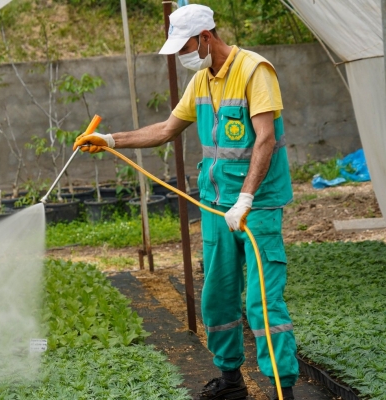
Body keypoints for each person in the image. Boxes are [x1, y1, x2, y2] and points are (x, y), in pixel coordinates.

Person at [73, 4, 299, 400]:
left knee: (264, 304)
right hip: (215, 206)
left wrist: (245, 199)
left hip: (255, 207)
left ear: (206, 38)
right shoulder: (202, 81)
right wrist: (110, 141)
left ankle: (285, 391)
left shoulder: (254, 71)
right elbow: (164, 129)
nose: (182, 56)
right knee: (217, 298)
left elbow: (264, 139)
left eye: (185, 47)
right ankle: (232, 384)